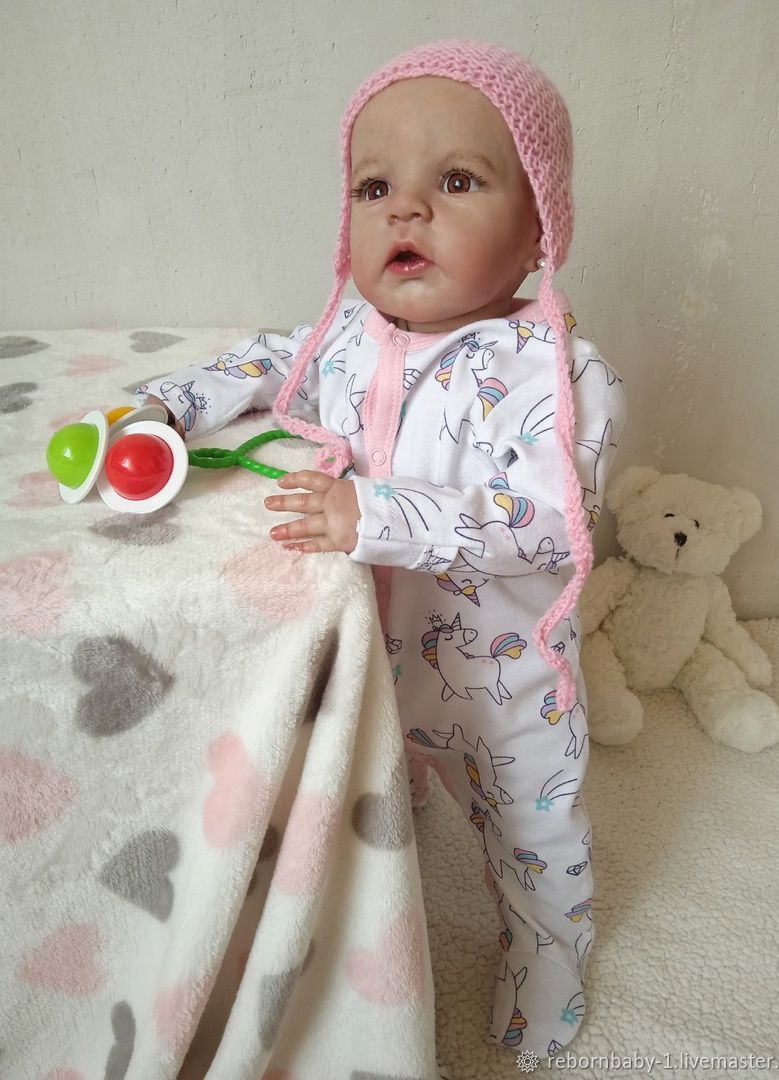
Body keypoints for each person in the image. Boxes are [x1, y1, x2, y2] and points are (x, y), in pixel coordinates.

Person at [137, 39, 627, 1060]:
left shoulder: (557, 373)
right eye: (374, 187)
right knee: (363, 778)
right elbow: (271, 360)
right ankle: (399, 810)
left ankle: (550, 950)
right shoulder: (350, 338)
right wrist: (173, 406)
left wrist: (376, 514)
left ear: (540, 225)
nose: (407, 210)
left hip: (503, 684)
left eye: (458, 180)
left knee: (534, 834)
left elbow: (548, 518)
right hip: (370, 661)